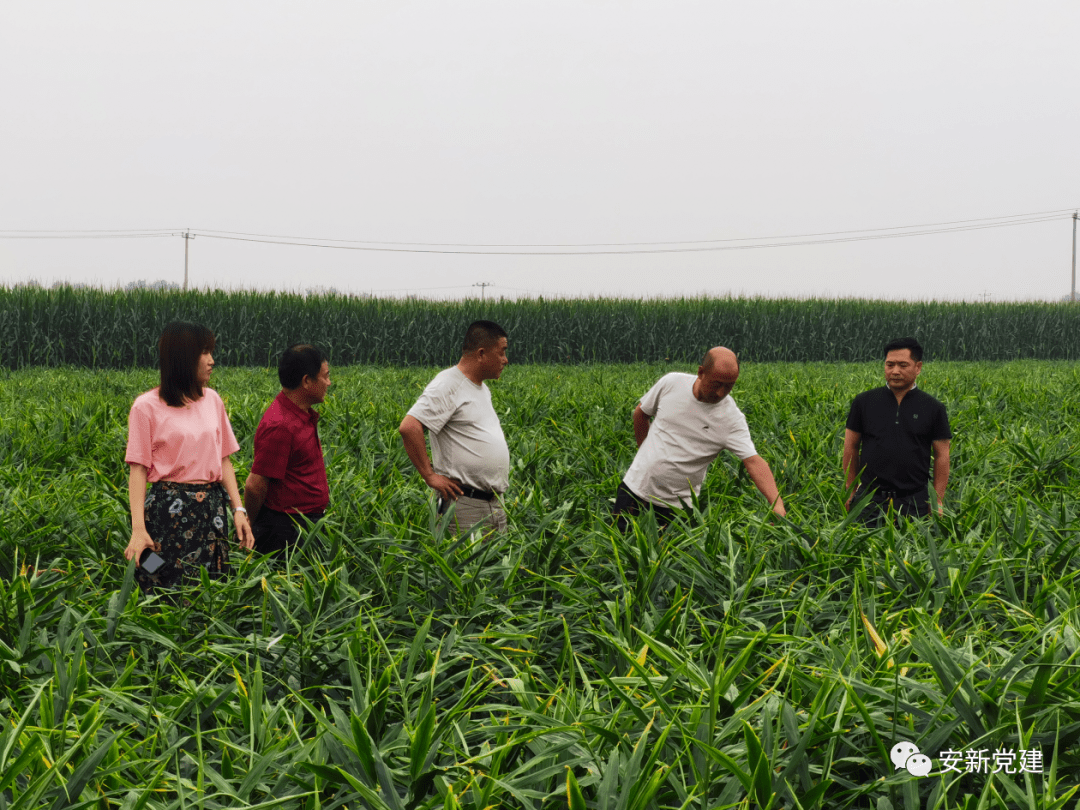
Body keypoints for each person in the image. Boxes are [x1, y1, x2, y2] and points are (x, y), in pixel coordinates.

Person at [124, 322, 254, 592]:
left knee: (212, 587)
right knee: (157, 580)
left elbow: (223, 459)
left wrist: (238, 510)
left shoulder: (213, 401)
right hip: (165, 515)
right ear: (183, 358)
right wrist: (138, 529)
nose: (212, 361)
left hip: (211, 513)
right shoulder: (145, 407)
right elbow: (138, 469)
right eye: (204, 353)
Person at [614, 346, 786, 528]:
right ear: (701, 372)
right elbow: (641, 413)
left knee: (667, 555)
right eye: (716, 384)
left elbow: (753, 461)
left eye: (729, 386)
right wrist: (645, 450)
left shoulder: (731, 419)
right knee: (618, 547)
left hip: (677, 508)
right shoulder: (671, 383)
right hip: (634, 490)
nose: (721, 393)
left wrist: (777, 505)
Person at [399, 320, 510, 534]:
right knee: (464, 566)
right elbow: (409, 426)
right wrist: (429, 476)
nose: (505, 360)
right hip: (464, 505)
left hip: (493, 504)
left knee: (496, 566)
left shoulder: (481, 388)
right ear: (481, 354)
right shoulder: (448, 384)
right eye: (502, 352)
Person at [843, 336, 952, 523]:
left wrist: (938, 500)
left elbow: (942, 455)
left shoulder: (933, 408)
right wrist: (850, 489)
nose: (895, 371)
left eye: (903, 365)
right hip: (869, 500)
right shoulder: (864, 402)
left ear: (918, 367)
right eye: (890, 364)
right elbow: (851, 447)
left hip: (914, 500)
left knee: (915, 548)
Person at [243, 345, 331, 558]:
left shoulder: (301, 414)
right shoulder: (281, 425)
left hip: (303, 524)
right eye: (325, 376)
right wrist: (250, 525)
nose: (329, 382)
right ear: (307, 381)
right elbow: (255, 485)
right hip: (287, 531)